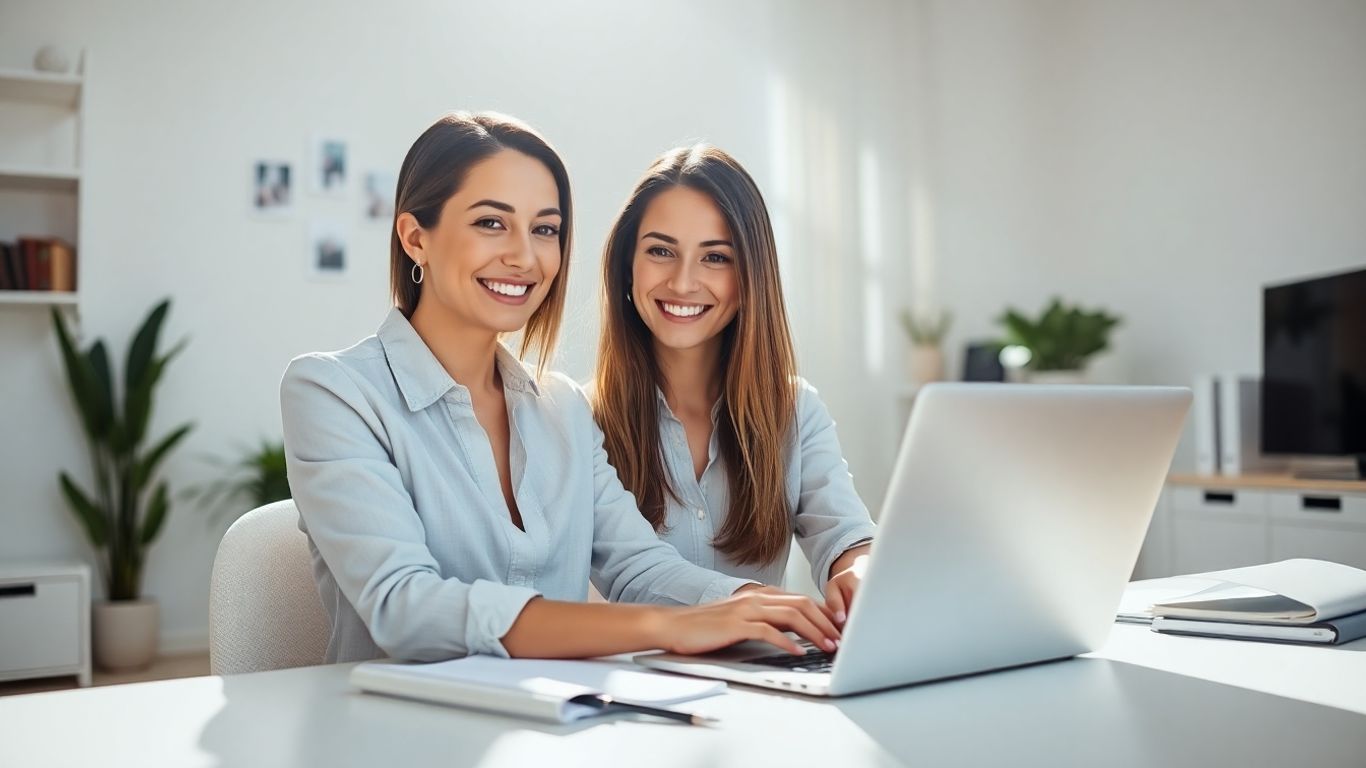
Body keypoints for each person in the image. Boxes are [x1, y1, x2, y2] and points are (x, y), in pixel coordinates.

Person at [280, 112, 840, 664]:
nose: (525, 257)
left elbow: (638, 565)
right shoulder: (334, 392)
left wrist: (748, 604)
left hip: (557, 730)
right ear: (414, 237)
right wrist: (670, 625)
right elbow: (405, 607)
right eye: (491, 223)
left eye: (545, 229)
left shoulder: (563, 408)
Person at [591, 145, 876, 623]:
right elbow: (632, 572)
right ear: (627, 266)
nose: (684, 283)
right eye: (661, 251)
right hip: (629, 687)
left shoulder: (794, 410)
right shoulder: (578, 422)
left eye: (716, 257)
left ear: (750, 276)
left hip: (764, 684)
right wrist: (746, 603)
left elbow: (845, 532)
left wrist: (862, 573)